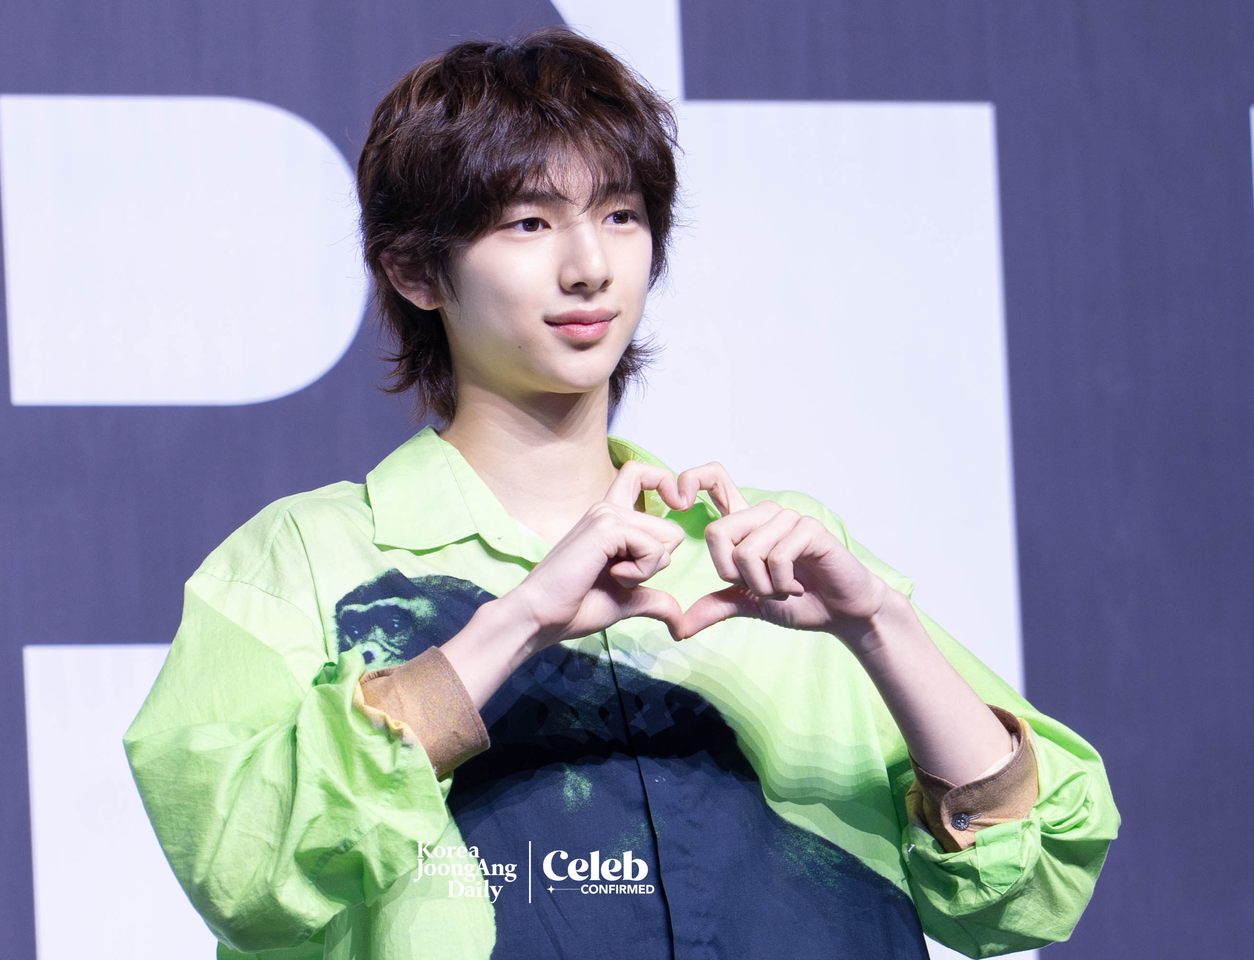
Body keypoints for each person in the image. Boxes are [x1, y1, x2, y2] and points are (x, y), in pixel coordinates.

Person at [124, 27, 1119, 960]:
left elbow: (1023, 891)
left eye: (620, 215)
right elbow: (242, 866)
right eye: (527, 221)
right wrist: (512, 626)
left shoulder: (767, 551)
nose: (590, 265)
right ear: (416, 271)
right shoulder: (298, 562)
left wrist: (877, 628)